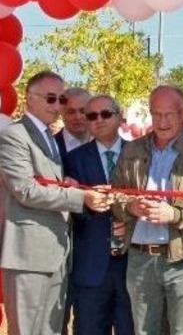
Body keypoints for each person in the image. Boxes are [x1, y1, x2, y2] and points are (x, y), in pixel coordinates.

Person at [0, 70, 110, 335]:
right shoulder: (14, 135)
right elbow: (26, 190)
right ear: (29, 98)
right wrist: (81, 197)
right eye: (51, 98)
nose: (57, 106)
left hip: (55, 253)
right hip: (27, 254)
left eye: (61, 99)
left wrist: (68, 185)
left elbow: (46, 183)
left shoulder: (48, 137)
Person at [113, 85, 183, 335]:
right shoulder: (131, 150)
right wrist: (131, 206)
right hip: (140, 259)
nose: (162, 122)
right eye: (156, 114)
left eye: (169, 114)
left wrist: (172, 214)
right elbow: (115, 195)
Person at [66, 95, 133, 335]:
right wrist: (86, 202)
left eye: (105, 114)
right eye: (92, 116)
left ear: (119, 116)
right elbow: (69, 209)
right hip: (91, 267)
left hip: (133, 266)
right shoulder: (73, 159)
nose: (99, 120)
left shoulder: (141, 154)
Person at [55, 87, 92, 158]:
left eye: (83, 111)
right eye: (71, 112)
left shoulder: (105, 143)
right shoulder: (49, 146)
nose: (78, 117)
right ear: (61, 113)